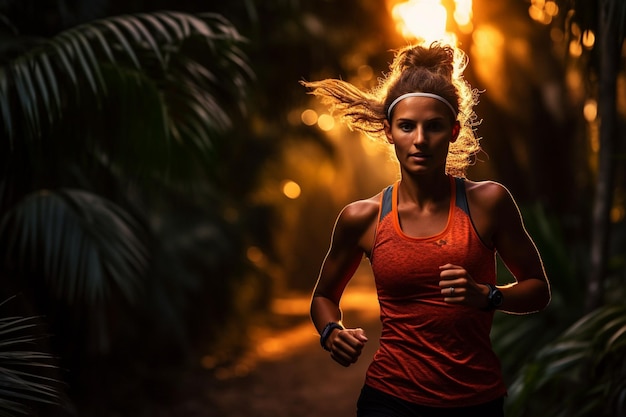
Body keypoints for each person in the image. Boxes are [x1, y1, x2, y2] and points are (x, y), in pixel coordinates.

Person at [303, 42, 551, 417]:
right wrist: (331, 332)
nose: (420, 140)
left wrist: (488, 296)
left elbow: (538, 290)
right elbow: (323, 298)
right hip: (389, 398)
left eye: (433, 126)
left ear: (453, 131)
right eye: (407, 126)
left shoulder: (488, 203)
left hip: (476, 401)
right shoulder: (363, 217)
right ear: (389, 132)